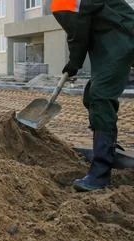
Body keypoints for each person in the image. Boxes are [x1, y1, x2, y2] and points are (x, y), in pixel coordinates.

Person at [50, 0, 134, 191]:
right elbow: (81, 32)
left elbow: (78, 35)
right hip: (110, 43)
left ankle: (100, 174)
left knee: (100, 96)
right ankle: (108, 145)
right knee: (91, 95)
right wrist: (74, 64)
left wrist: (74, 63)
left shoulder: (67, 2)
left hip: (122, 39)